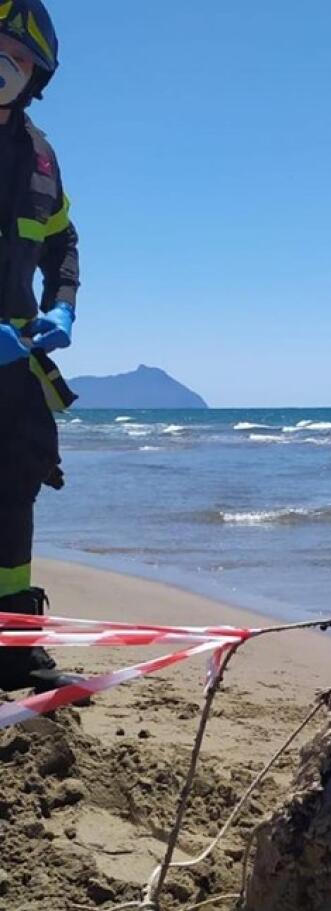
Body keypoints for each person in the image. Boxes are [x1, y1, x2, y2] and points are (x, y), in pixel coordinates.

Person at [0, 0, 79, 693]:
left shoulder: (41, 155)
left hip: (14, 361)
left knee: (15, 487)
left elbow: (61, 242)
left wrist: (62, 304)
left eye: (16, 58)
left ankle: (13, 643)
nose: (4, 67)